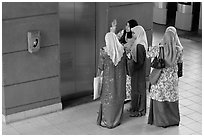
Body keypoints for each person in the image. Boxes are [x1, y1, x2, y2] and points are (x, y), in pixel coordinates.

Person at [147, 26, 183, 128]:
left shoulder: (159, 49)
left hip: (160, 79)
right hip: (172, 80)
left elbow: (148, 54)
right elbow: (180, 62)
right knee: (171, 98)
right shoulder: (179, 50)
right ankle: (173, 120)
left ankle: (161, 121)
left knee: (160, 97)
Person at [96, 21, 127, 129]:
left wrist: (98, 77)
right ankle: (116, 119)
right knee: (118, 98)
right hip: (120, 80)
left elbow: (100, 67)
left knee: (108, 98)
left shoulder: (104, 52)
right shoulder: (122, 51)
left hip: (108, 80)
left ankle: (107, 121)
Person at [125, 25, 148, 117]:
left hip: (138, 72)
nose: (133, 34)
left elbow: (139, 62)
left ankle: (140, 110)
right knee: (136, 89)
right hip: (138, 72)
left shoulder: (139, 45)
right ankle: (135, 107)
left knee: (139, 90)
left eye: (134, 33)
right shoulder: (139, 43)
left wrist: (131, 63)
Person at [117, 19, 138, 102]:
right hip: (122, 58)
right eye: (126, 25)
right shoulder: (123, 33)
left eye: (128, 26)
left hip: (129, 58)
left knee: (129, 76)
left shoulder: (134, 35)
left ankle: (128, 95)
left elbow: (131, 47)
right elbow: (115, 39)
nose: (126, 27)